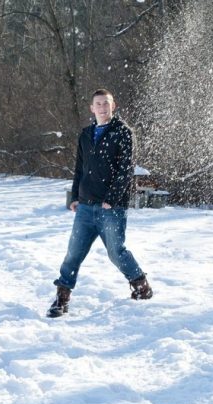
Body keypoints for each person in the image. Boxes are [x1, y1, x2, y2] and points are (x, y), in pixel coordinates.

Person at [47, 89, 153, 318]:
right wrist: (75, 196)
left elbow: (125, 169)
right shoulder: (85, 134)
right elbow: (79, 168)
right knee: (73, 254)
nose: (102, 108)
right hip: (85, 207)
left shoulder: (122, 132)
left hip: (111, 208)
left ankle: (141, 286)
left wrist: (111, 199)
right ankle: (61, 298)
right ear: (91, 108)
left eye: (106, 103)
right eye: (98, 104)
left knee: (116, 253)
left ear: (113, 106)